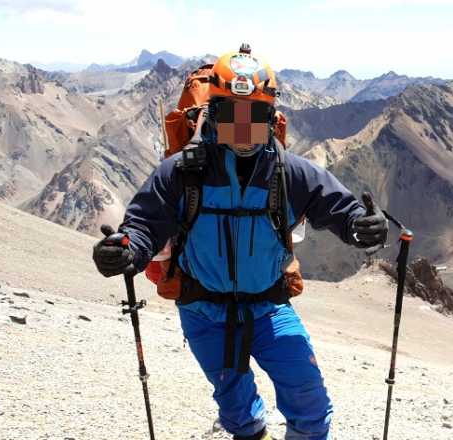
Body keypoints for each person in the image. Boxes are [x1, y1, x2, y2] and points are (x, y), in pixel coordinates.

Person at [91, 46, 387, 440]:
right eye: (232, 115)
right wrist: (125, 250)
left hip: (268, 307)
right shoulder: (182, 172)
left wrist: (360, 227)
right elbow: (146, 224)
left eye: (255, 116)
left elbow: (338, 209)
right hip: (203, 310)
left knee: (310, 403)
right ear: (214, 112)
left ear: (272, 116)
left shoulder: (289, 173)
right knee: (237, 412)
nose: (244, 128)